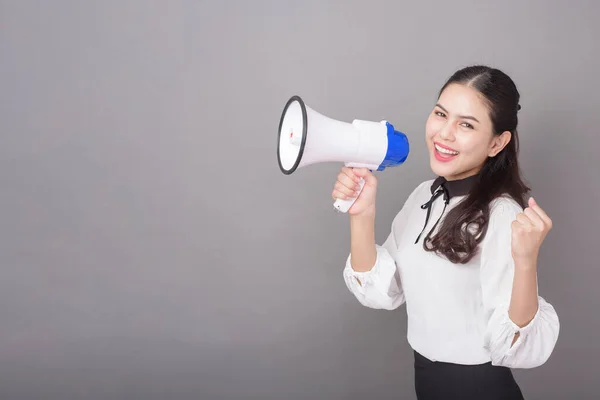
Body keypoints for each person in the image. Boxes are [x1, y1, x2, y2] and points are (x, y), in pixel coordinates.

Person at [331, 65, 560, 400]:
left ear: (497, 142)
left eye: (466, 124)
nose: (444, 134)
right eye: (441, 114)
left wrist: (526, 262)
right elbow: (384, 291)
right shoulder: (423, 195)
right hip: (426, 381)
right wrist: (362, 215)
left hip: (479, 389)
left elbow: (516, 347)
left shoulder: (502, 214)